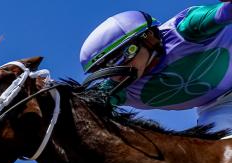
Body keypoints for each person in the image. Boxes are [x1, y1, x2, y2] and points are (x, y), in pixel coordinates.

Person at [81, 4, 232, 133]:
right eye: (105, 67)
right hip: (218, 106)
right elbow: (75, 105)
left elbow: (224, 11)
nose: (117, 73)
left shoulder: (188, 27)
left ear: (150, 37)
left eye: (122, 57)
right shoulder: (117, 88)